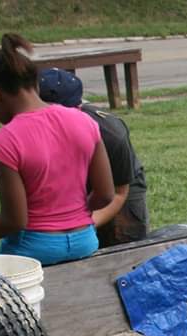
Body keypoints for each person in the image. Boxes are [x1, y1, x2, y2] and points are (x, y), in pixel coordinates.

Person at [0, 34, 113, 265]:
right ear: (35, 84)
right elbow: (106, 194)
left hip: (34, 249)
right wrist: (74, 214)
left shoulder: (6, 140)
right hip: (84, 241)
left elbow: (13, 220)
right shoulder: (84, 122)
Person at [39, 67, 149, 247]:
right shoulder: (26, 130)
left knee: (124, 246)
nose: (53, 121)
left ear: (79, 107)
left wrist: (80, 227)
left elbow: (118, 193)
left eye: (61, 115)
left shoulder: (111, 134)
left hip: (118, 184)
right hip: (73, 183)